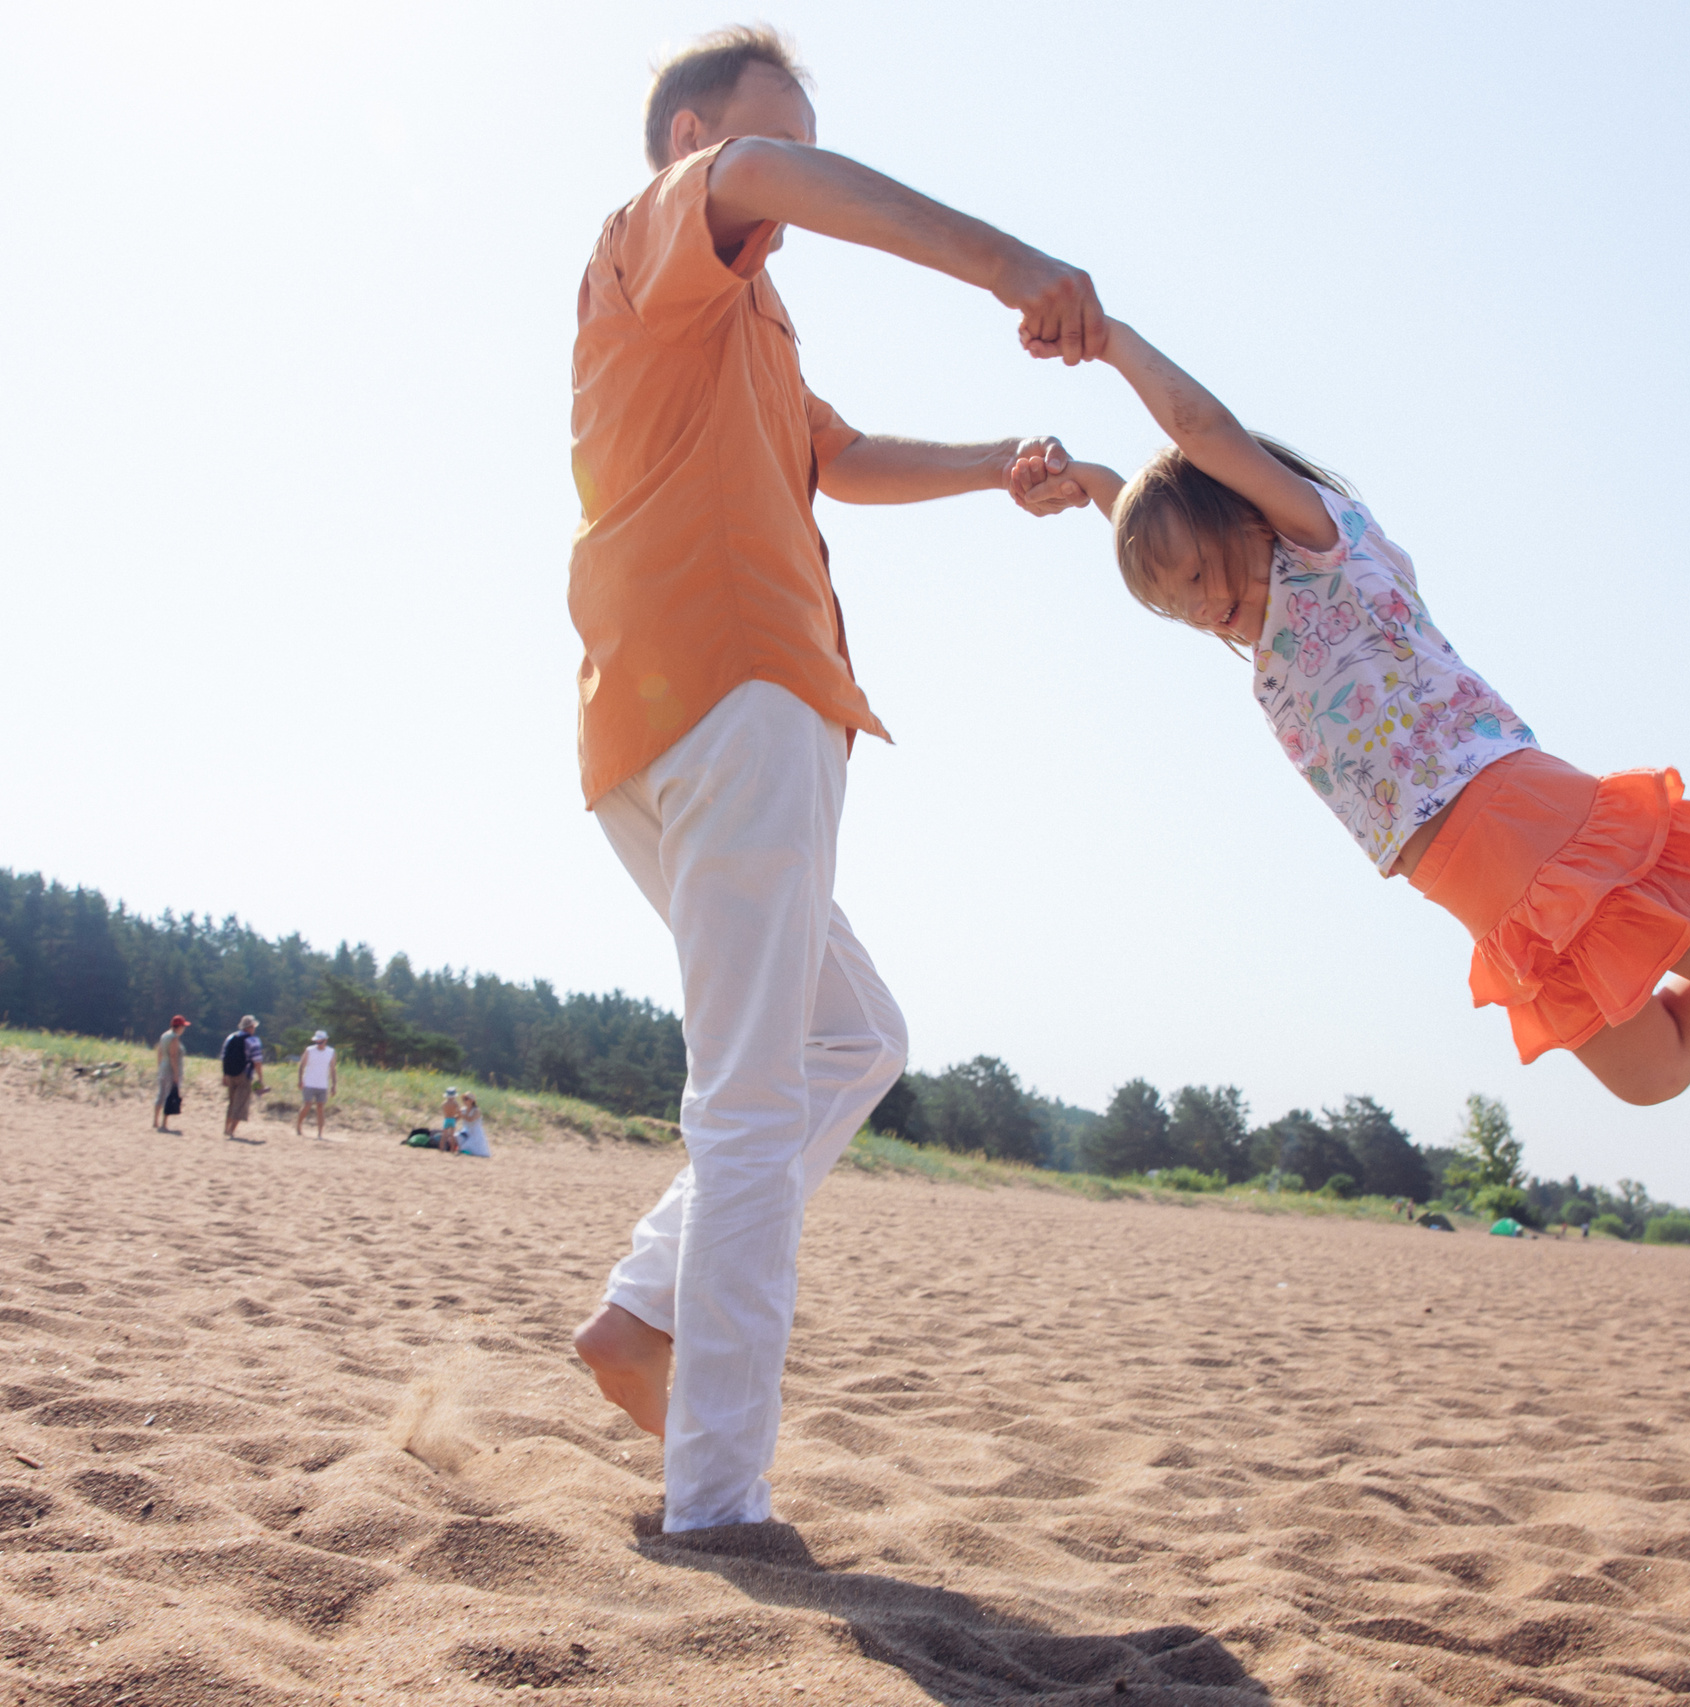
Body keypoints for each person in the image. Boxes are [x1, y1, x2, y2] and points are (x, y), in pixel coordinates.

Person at [1026, 319, 1690, 1104]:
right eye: (1167, 604)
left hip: (1515, 822)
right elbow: (1162, 521)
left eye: (1191, 574)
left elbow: (1199, 430)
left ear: (1238, 505)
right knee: (1657, 1073)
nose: (1194, 604)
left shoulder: (1319, 546)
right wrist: (1089, 486)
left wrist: (1110, 341)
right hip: (1474, 882)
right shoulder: (1262, 638)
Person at [564, 25, 1103, 1537]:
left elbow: (839, 456)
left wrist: (1005, 463)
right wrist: (1014, 268)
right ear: (689, 144)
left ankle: (641, 1311)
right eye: (762, 148)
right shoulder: (651, 240)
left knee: (855, 1034)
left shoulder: (748, 324)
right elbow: (767, 181)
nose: (782, 190)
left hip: (687, 721)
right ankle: (718, 1498)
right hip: (732, 694)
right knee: (745, 1105)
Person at [221, 1015, 264, 1139]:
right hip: (244, 1074)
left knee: (232, 1102)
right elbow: (257, 1061)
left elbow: (224, 1056)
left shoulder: (230, 1038)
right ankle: (231, 1131)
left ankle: (226, 1128)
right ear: (250, 1027)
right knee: (241, 1104)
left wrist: (224, 1074)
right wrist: (260, 1078)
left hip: (229, 1074)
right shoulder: (253, 1040)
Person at [296, 1029, 339, 1139]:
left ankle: (320, 1132)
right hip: (309, 1082)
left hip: (322, 1084)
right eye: (317, 1041)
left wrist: (334, 1085)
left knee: (320, 1107)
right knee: (307, 1104)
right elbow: (302, 1065)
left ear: (325, 1040)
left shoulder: (331, 1052)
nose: (318, 1043)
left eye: (321, 1041)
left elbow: (333, 1069)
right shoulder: (309, 1050)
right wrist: (300, 1080)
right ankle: (299, 1125)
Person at [151, 1015, 188, 1133]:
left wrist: (159, 1066)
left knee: (161, 1094)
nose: (184, 1029)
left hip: (163, 1067)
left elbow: (159, 1052)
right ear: (179, 1027)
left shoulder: (164, 1035)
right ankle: (164, 1123)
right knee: (169, 1096)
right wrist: (176, 1074)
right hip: (170, 1070)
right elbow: (173, 1056)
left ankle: (155, 1121)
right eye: (183, 1026)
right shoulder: (174, 1038)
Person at [453, 1088, 491, 1159]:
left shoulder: (476, 1110)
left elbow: (471, 1119)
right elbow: (457, 1119)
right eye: (463, 1099)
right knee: (456, 1136)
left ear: (471, 1101)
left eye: (466, 1099)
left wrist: (461, 1115)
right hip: (466, 1130)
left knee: (468, 1147)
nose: (464, 1101)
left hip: (476, 1132)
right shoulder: (463, 1109)